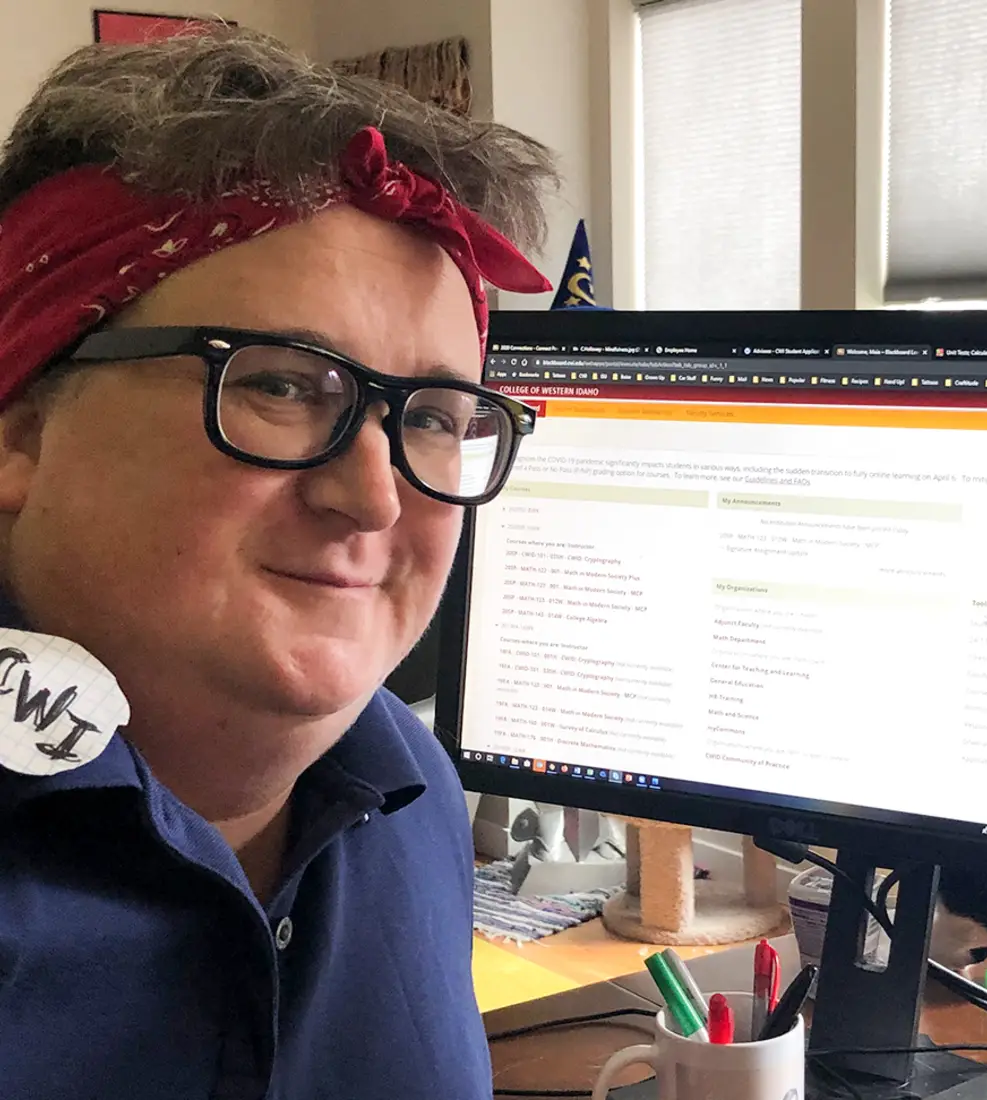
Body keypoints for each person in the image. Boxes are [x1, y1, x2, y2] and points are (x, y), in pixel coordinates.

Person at [0, 28, 558, 1100]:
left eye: (434, 415)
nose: (375, 494)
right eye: (281, 385)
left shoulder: (408, 785)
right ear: (21, 431)